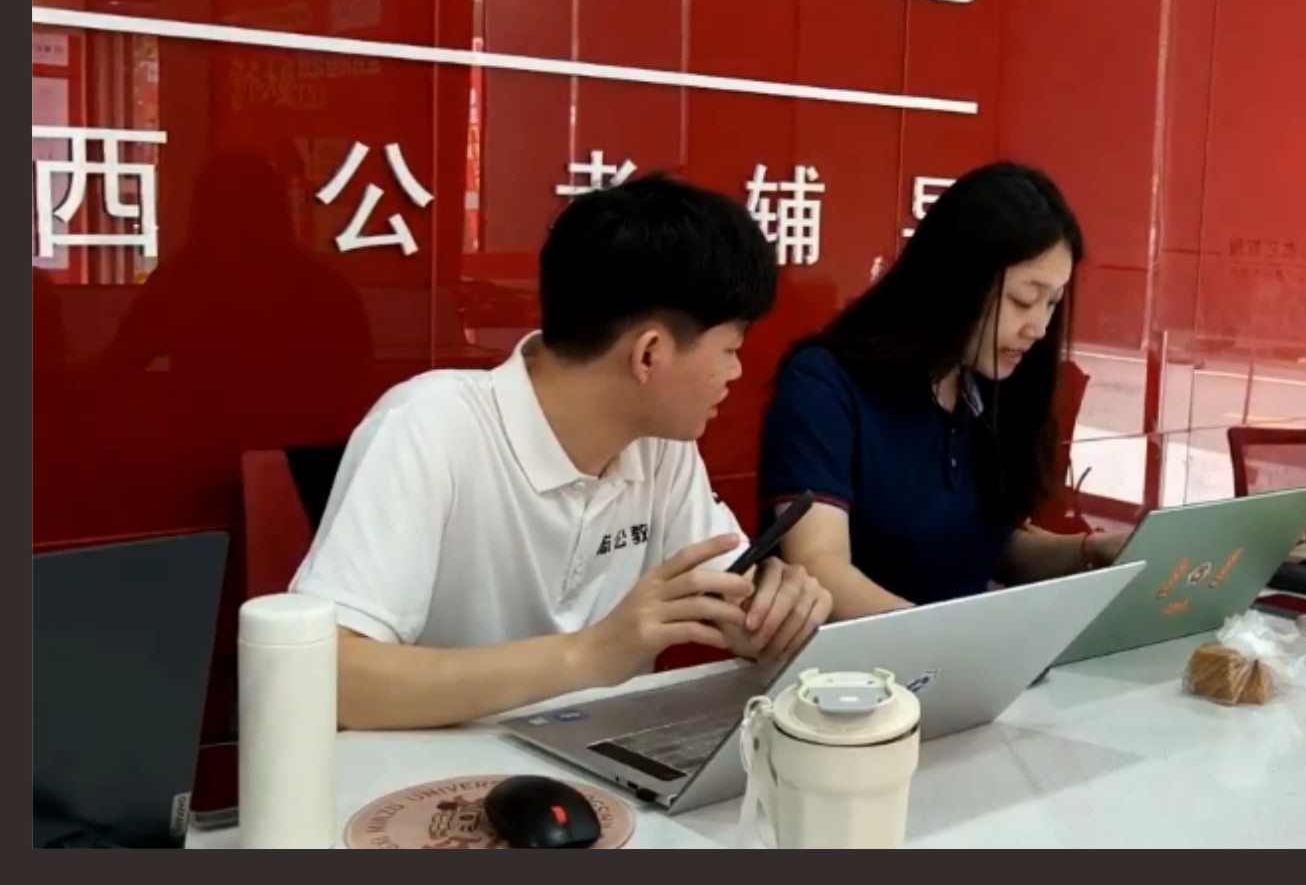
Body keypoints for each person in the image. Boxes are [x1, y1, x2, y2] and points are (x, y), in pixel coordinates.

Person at [293, 175, 831, 731]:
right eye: (730, 349)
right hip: (436, 772)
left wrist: (769, 611)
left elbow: (727, 595)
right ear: (649, 354)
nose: (736, 372)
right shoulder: (430, 427)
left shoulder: (660, 449)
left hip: (599, 761)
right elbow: (329, 678)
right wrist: (586, 656)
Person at [757, 162, 1127, 620]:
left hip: (960, 658)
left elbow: (988, 545)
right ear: (957, 281)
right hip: (860, 663)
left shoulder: (987, 385)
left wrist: (1092, 551)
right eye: (1023, 300)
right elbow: (819, 569)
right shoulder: (825, 386)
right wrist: (948, 644)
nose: (1038, 327)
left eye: (1051, 303)